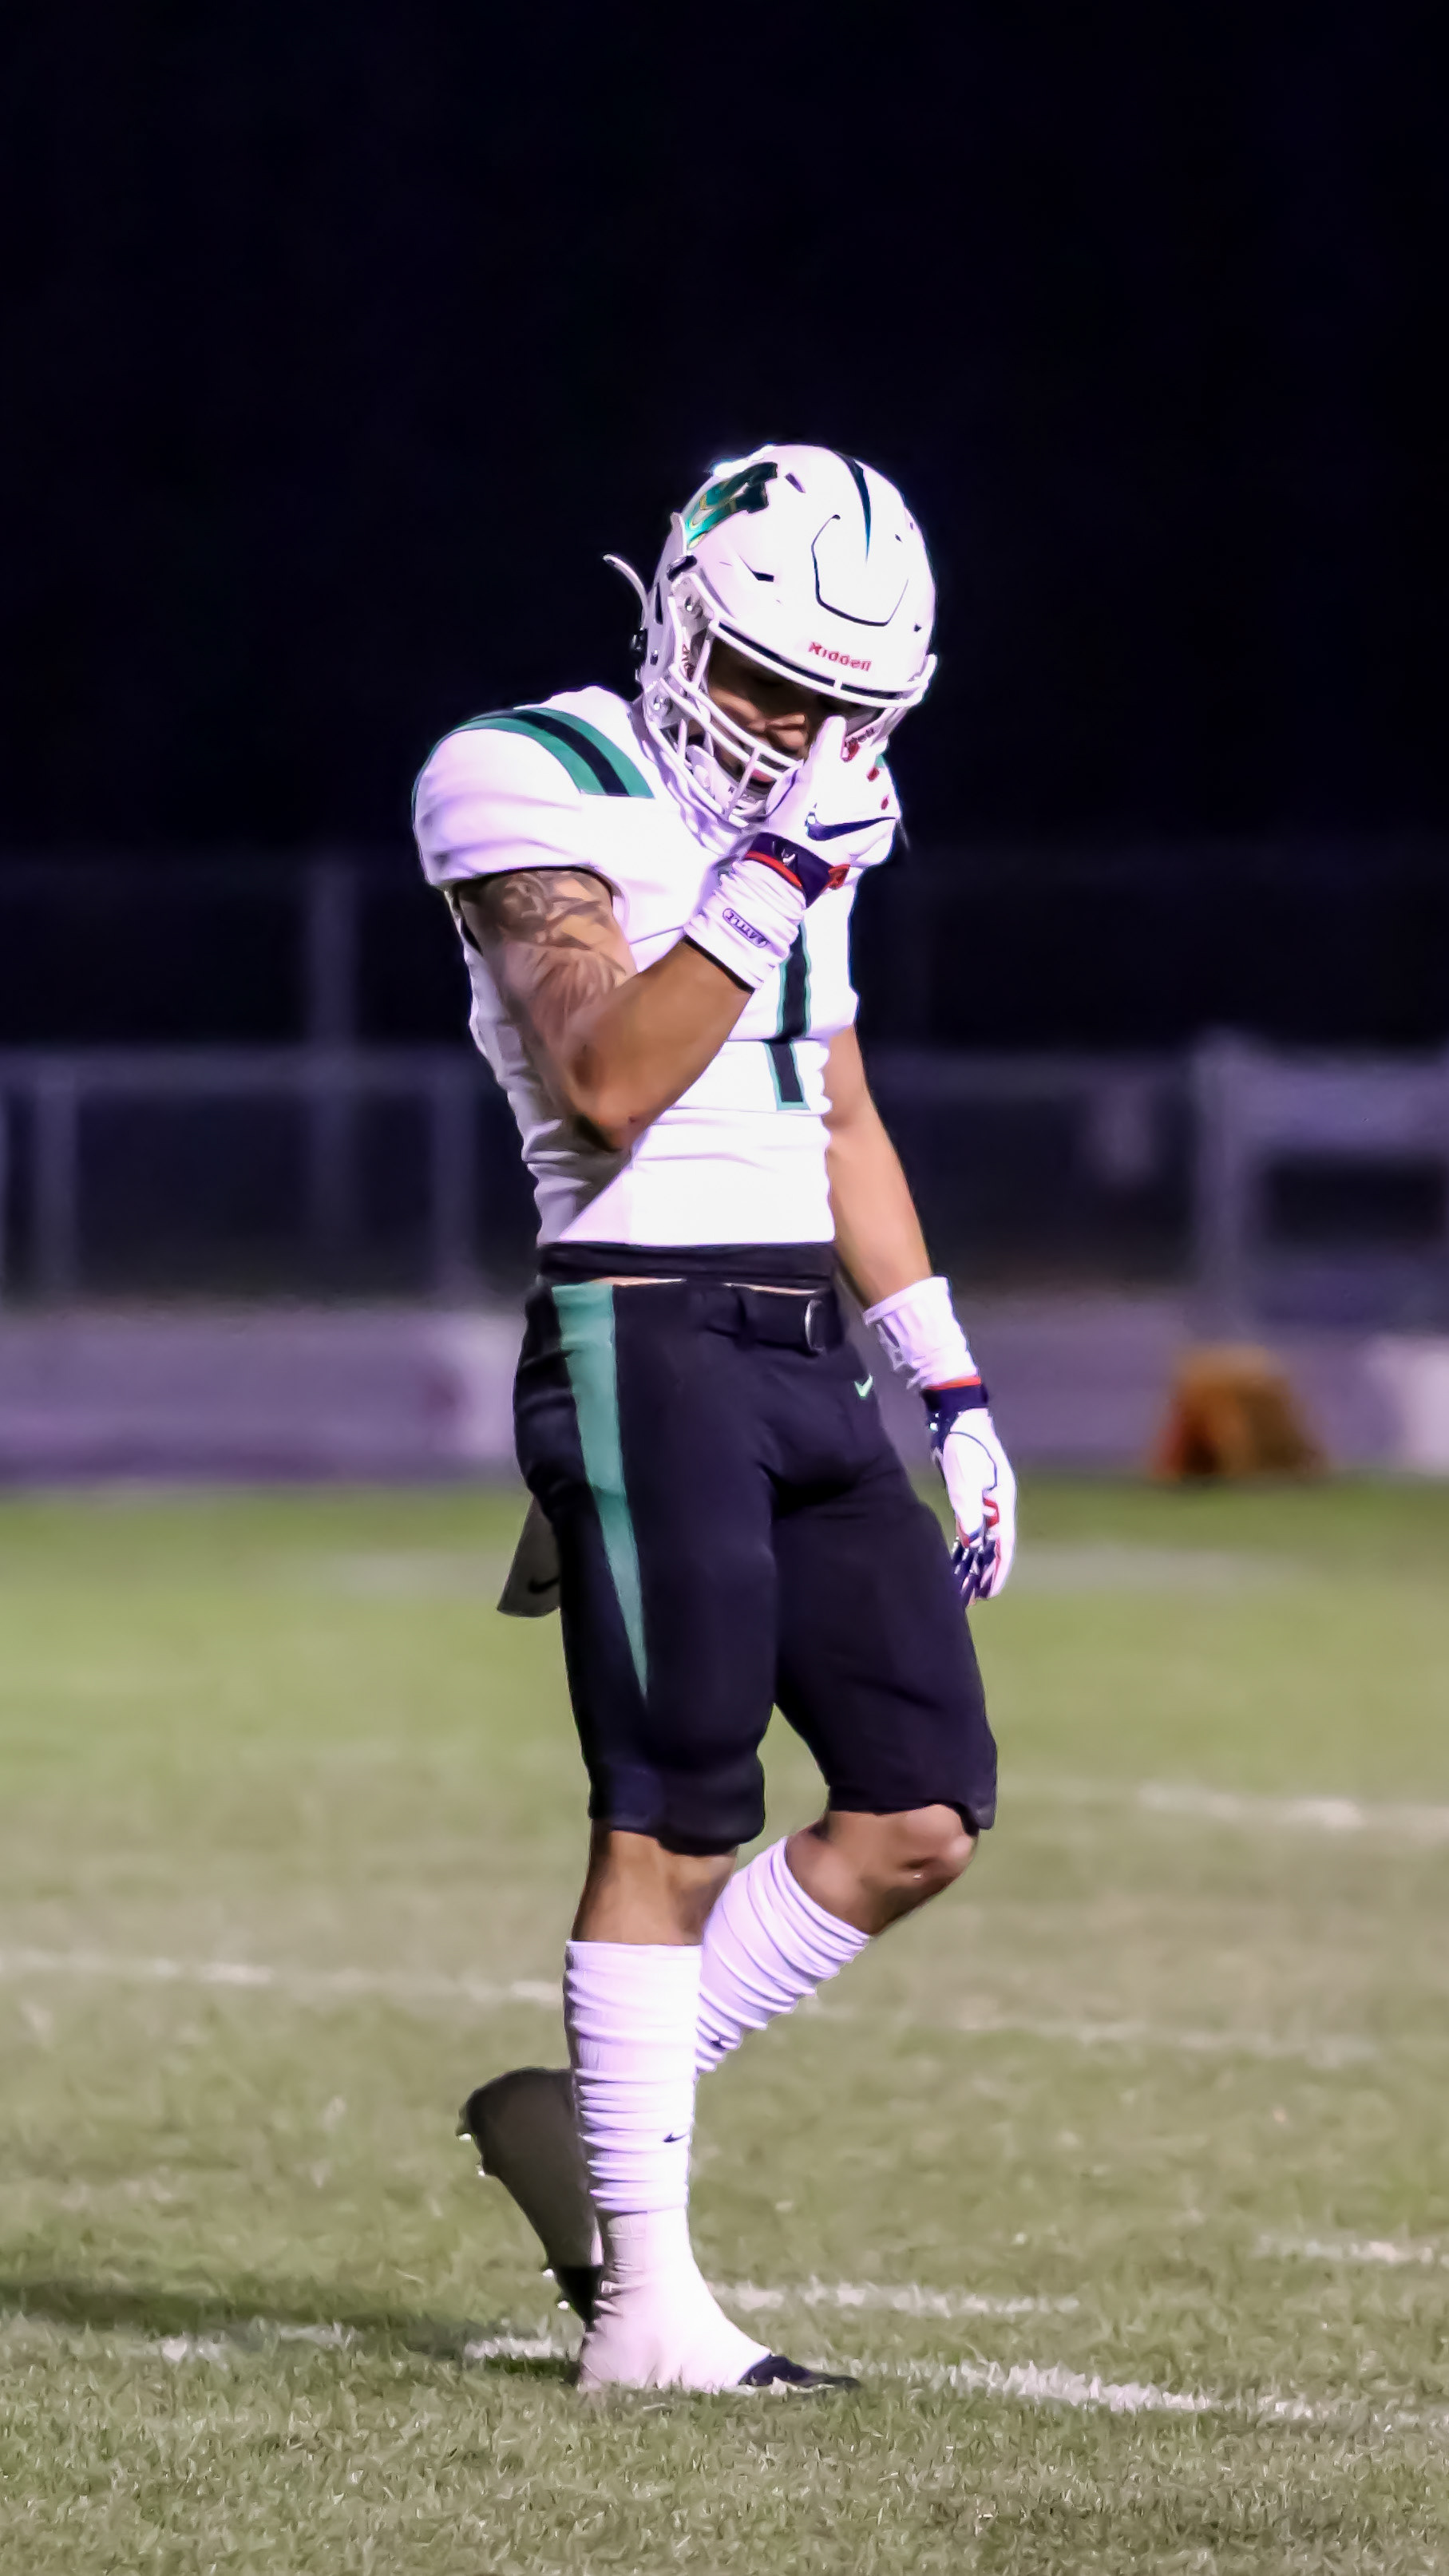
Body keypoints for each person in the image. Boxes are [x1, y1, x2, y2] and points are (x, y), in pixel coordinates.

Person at [412, 445, 1015, 2393]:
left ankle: (585, 2113)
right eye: (767, 687)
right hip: (639, 1326)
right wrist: (771, 877)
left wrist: (943, 1375)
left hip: (798, 1342)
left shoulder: (807, 820)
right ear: (676, 621)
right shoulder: (529, 772)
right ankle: (646, 2316)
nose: (795, 739)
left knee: (919, 1807)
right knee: (670, 1813)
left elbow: (831, 1106)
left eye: (844, 710)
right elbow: (606, 1079)